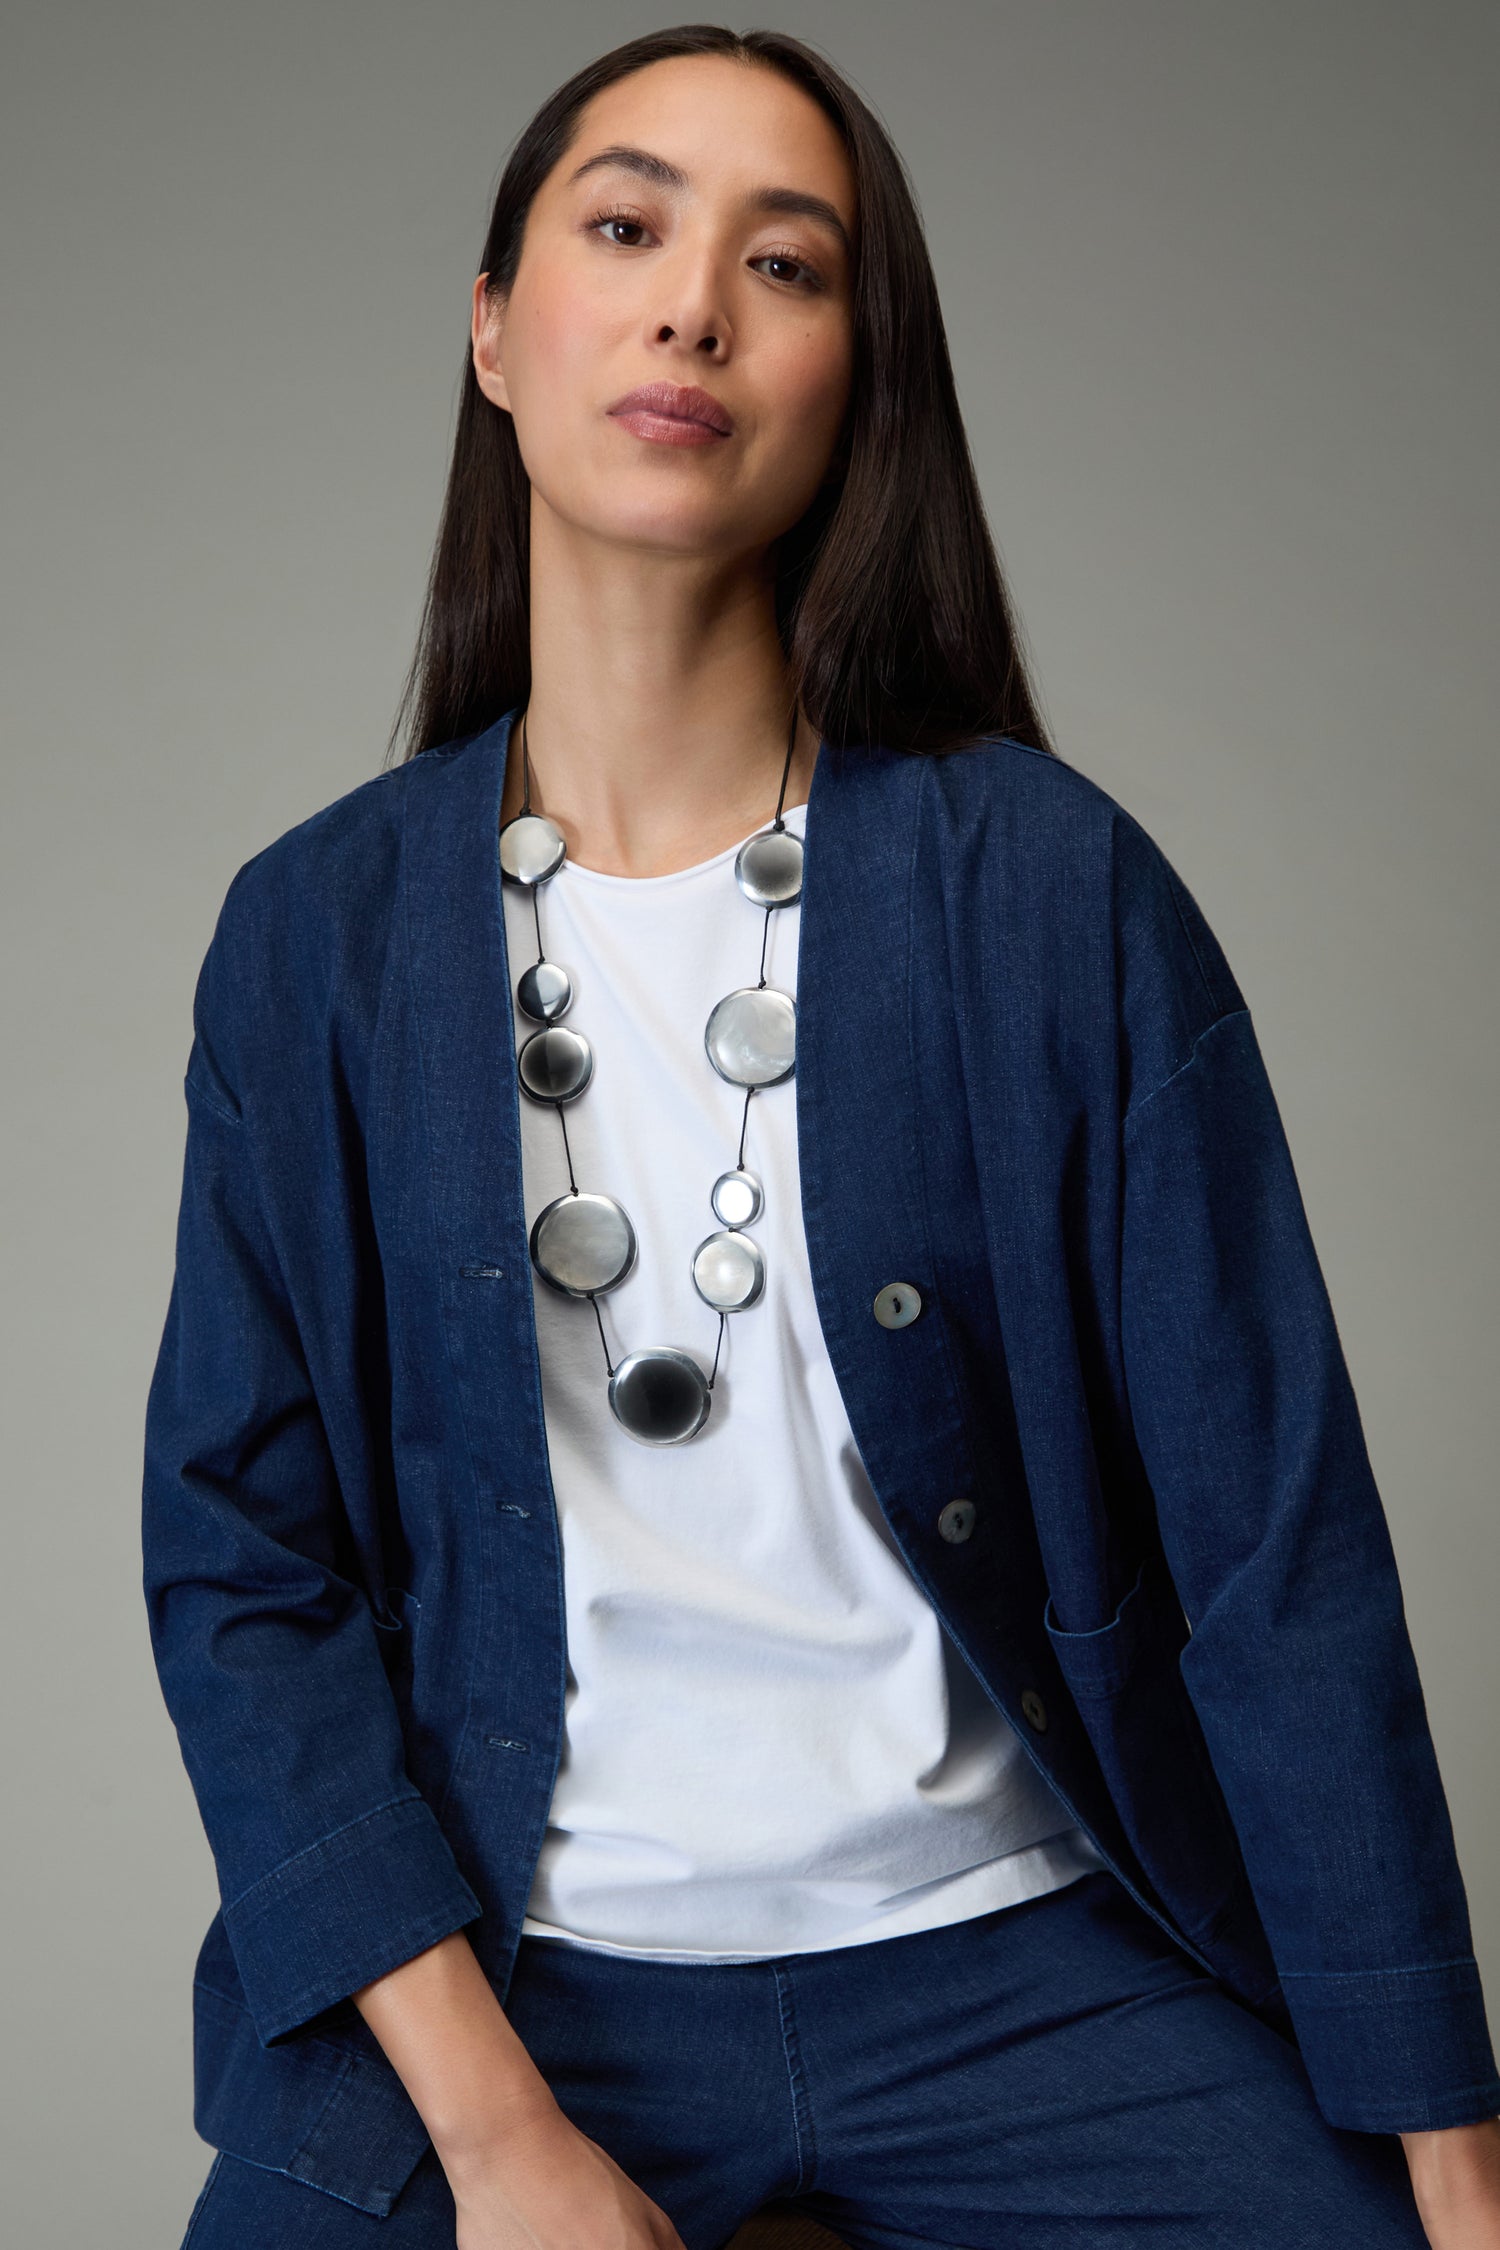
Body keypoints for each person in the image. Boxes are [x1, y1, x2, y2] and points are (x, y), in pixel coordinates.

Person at [143, 25, 1500, 2250]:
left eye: (787, 263)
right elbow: (243, 1567)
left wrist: (1457, 2187)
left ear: (862, 384)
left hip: (1031, 1988)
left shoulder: (1051, 893)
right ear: (496, 333)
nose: (693, 304)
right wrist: (496, 2148)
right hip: (520, 1990)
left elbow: (1280, 1559)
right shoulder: (314, 936)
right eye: (626, 225)